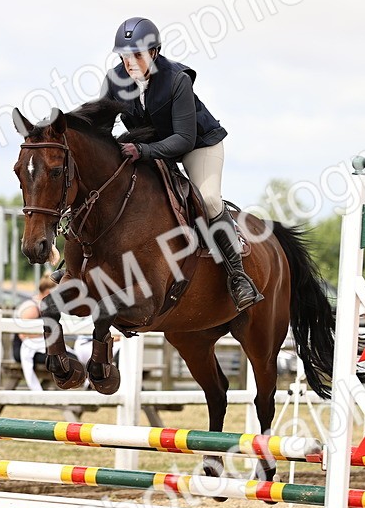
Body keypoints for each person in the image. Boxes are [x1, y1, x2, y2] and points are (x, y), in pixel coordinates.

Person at [100, 16, 262, 312]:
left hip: (196, 145)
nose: (130, 62)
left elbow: (184, 139)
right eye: (124, 56)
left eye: (138, 55)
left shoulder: (177, 79)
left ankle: (238, 276)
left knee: (209, 200)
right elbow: (101, 127)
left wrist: (142, 150)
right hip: (148, 148)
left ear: (154, 52)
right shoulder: (114, 80)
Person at [14, 275, 58, 391]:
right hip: (25, 349)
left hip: (40, 346)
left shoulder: (46, 306)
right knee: (62, 359)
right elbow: (23, 335)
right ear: (48, 292)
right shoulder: (32, 308)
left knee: (68, 358)